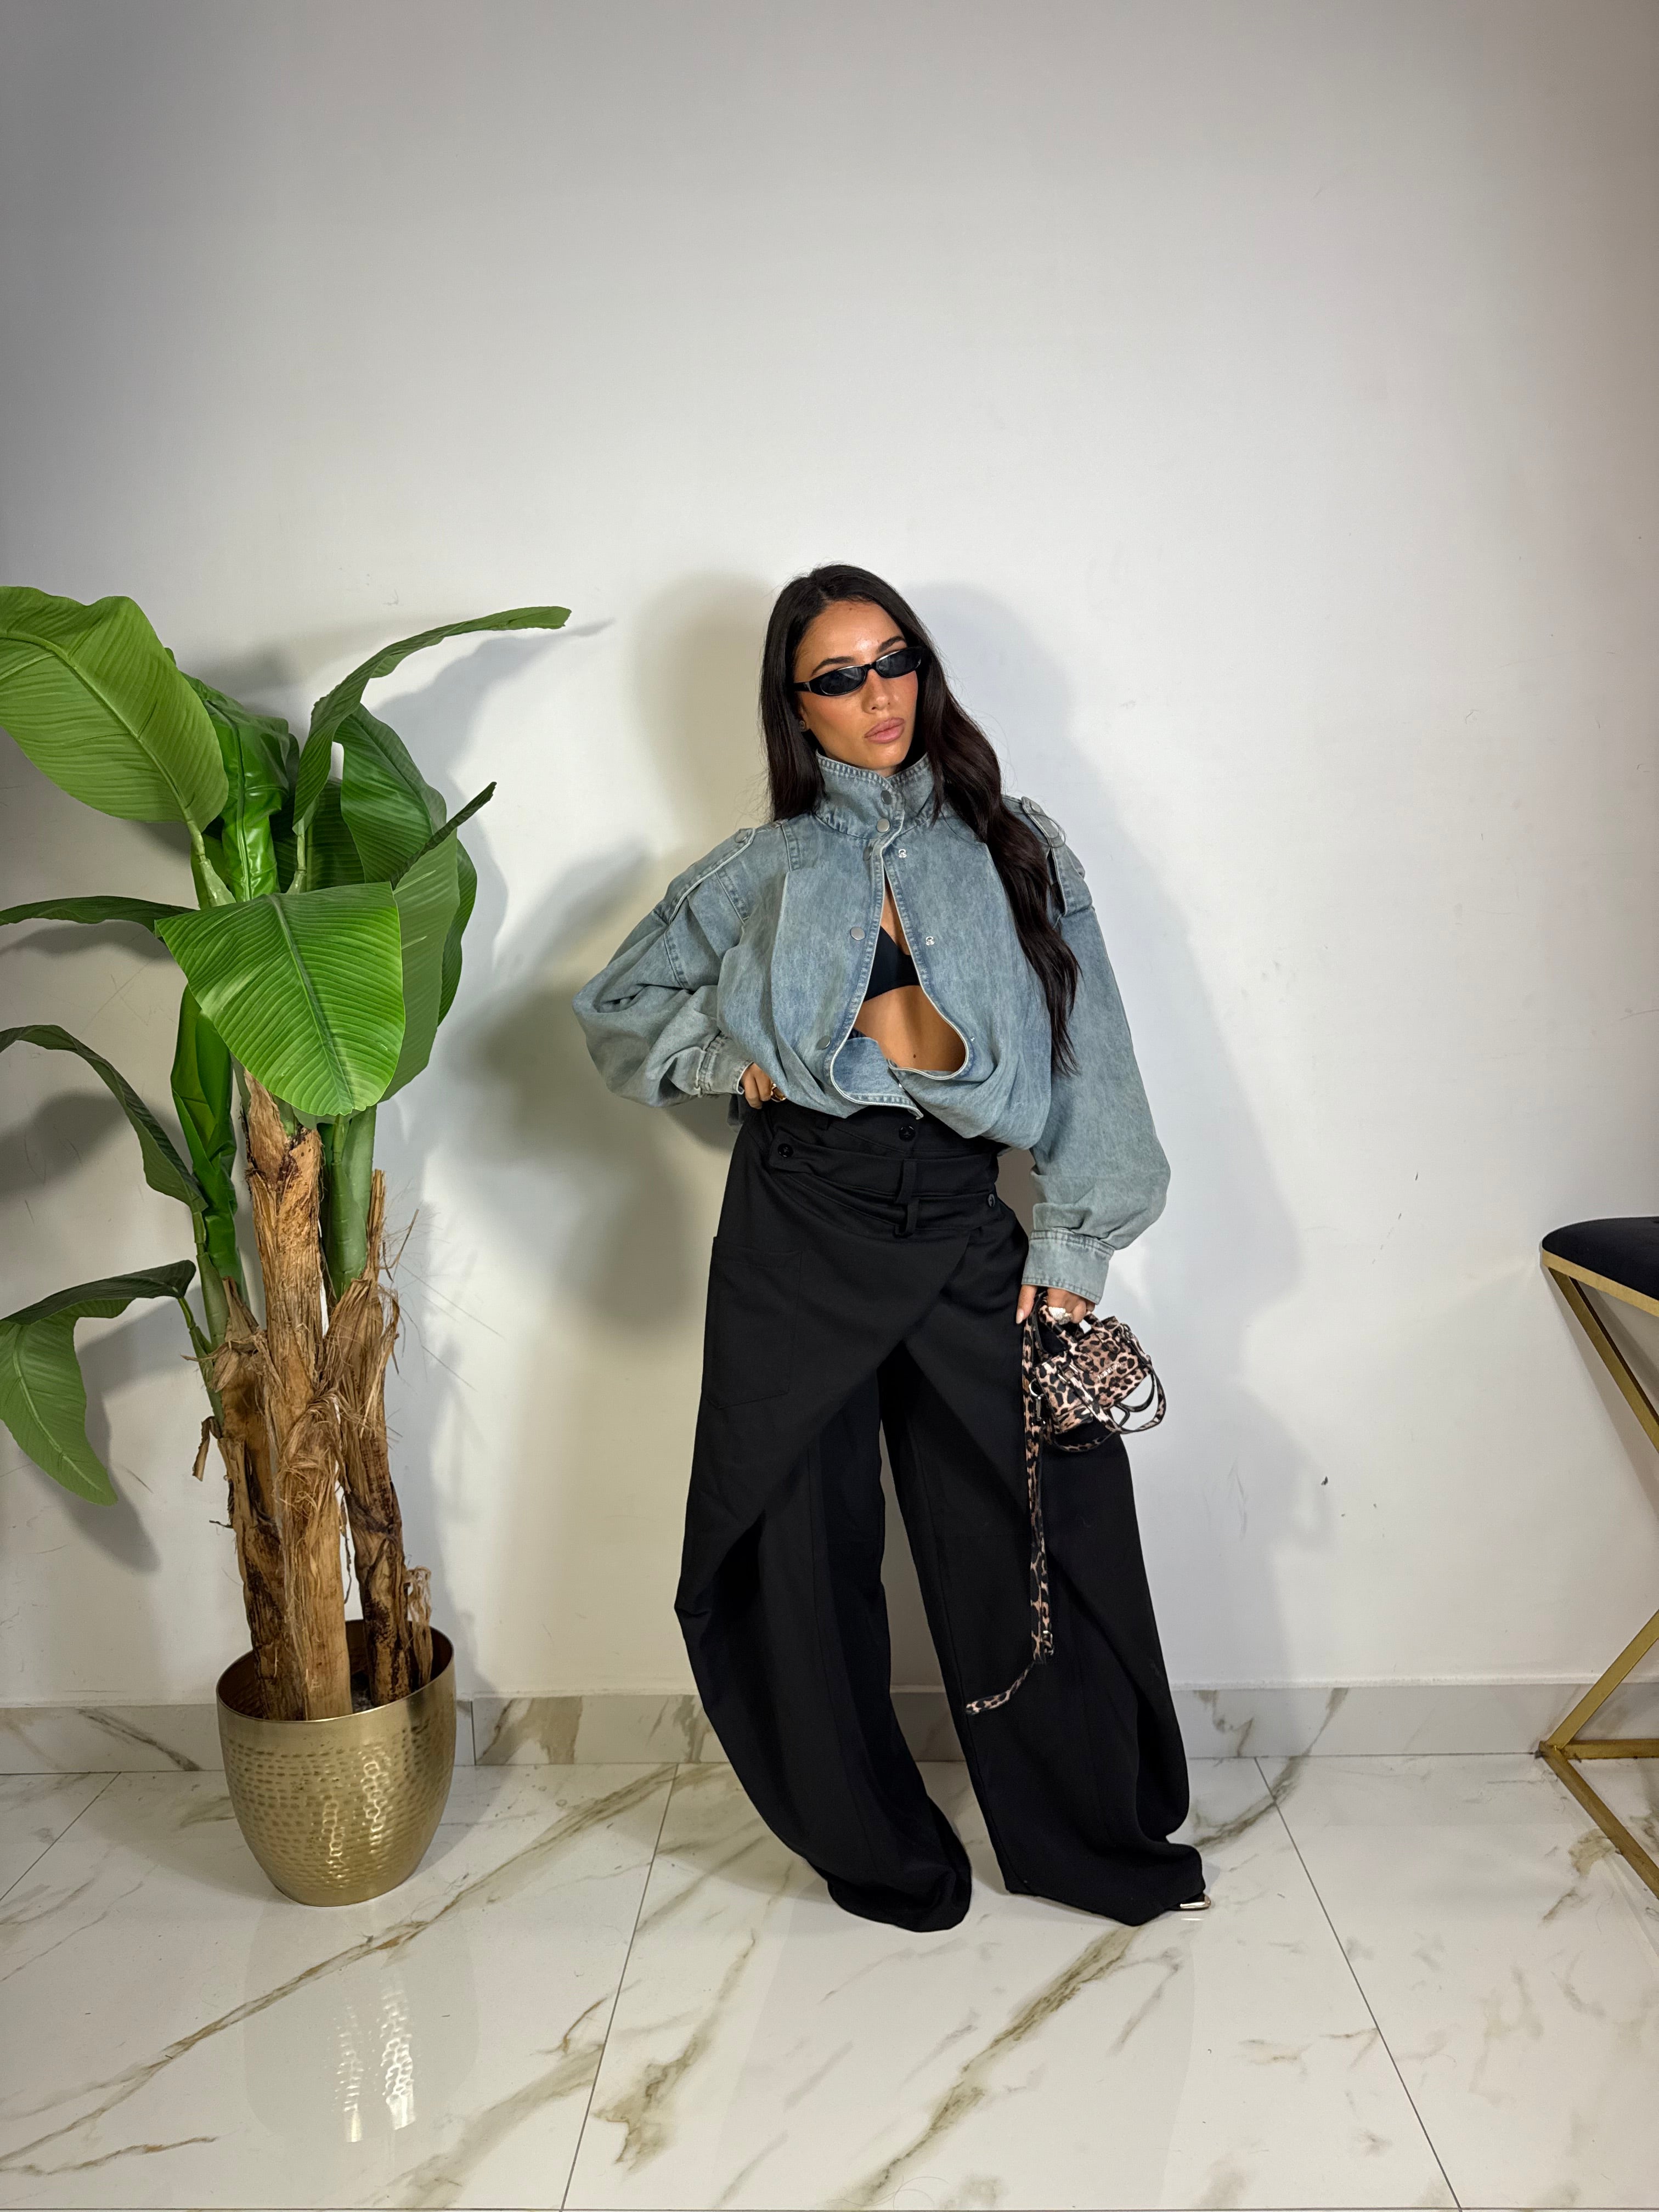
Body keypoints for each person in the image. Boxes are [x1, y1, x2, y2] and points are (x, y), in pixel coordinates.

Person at [573, 563, 1208, 1932]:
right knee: (796, 1542)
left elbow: (1092, 1052)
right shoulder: (760, 871)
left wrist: (1072, 1244)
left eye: (895, 660)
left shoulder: (1017, 848)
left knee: (1036, 1513)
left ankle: (1080, 1832)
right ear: (795, 707)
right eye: (840, 677)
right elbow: (616, 1010)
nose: (878, 695)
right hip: (798, 1214)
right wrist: (727, 1063)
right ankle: (876, 1849)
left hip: (958, 1211)